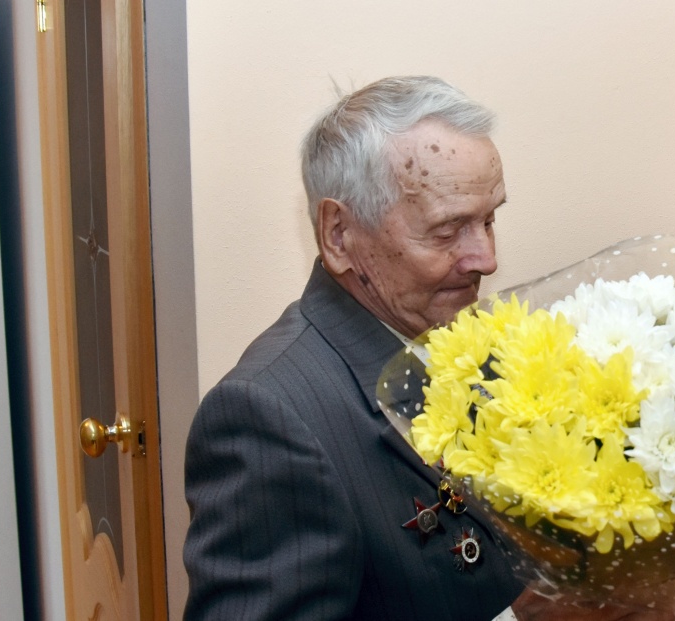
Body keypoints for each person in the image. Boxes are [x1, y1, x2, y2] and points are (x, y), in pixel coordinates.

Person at [183, 76, 525, 620]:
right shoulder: (266, 418)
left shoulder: (463, 339)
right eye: (447, 231)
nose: (486, 258)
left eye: (489, 219)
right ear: (339, 234)